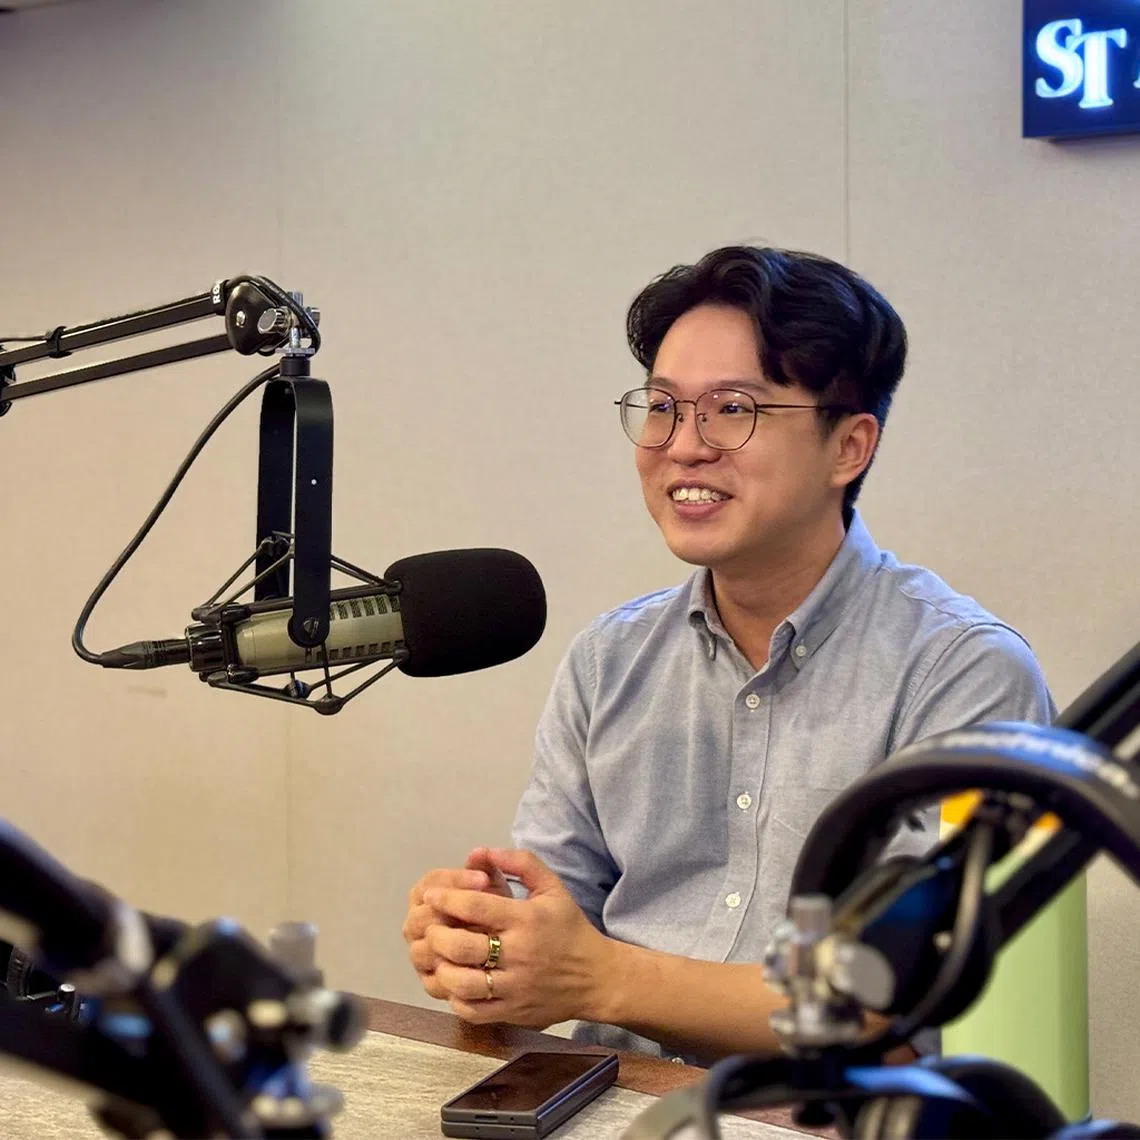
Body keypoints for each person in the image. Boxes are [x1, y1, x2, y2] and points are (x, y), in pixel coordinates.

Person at [402, 245, 1053, 1064]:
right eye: (663, 408)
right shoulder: (611, 659)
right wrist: (485, 937)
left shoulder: (963, 671)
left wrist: (600, 979)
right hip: (615, 1106)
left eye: (733, 410)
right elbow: (555, 907)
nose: (684, 446)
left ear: (849, 447)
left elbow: (892, 985)